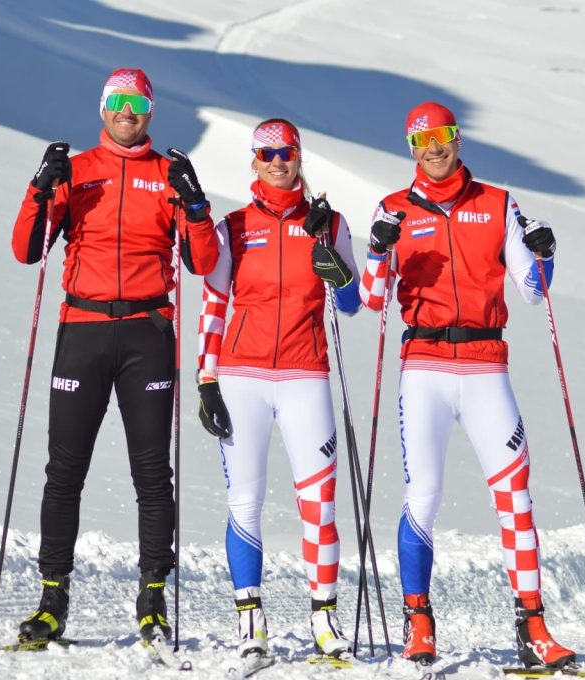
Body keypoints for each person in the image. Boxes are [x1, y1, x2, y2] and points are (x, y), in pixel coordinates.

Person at [359, 102, 576, 669]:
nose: (434, 147)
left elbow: (532, 290)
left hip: (485, 366)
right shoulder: (393, 209)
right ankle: (418, 623)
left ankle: (533, 628)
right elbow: (372, 299)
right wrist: (379, 249)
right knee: (423, 496)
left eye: (443, 135)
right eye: (422, 139)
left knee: (515, 496)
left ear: (458, 139)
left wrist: (545, 254)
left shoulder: (498, 204)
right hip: (424, 367)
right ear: (411, 147)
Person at [10, 68, 219, 644]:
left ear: (150, 112)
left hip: (147, 334)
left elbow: (202, 262)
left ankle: (153, 598)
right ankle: (52, 598)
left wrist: (196, 204)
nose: (129, 111)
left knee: (152, 473)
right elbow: (27, 250)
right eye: (119, 101)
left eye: (139, 103)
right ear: (103, 108)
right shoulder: (76, 171)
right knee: (64, 470)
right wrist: (39, 188)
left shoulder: (166, 174)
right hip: (83, 330)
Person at [195, 118, 361, 660]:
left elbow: (351, 303)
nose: (277, 161)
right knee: (245, 501)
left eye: (286, 152)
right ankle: (251, 622)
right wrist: (206, 378)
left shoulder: (329, 224)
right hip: (241, 376)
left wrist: (334, 265)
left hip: (305, 375)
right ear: (253, 160)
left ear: (298, 157)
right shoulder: (234, 226)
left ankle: (325, 619)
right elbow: (214, 304)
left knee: (319, 503)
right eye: (266, 153)